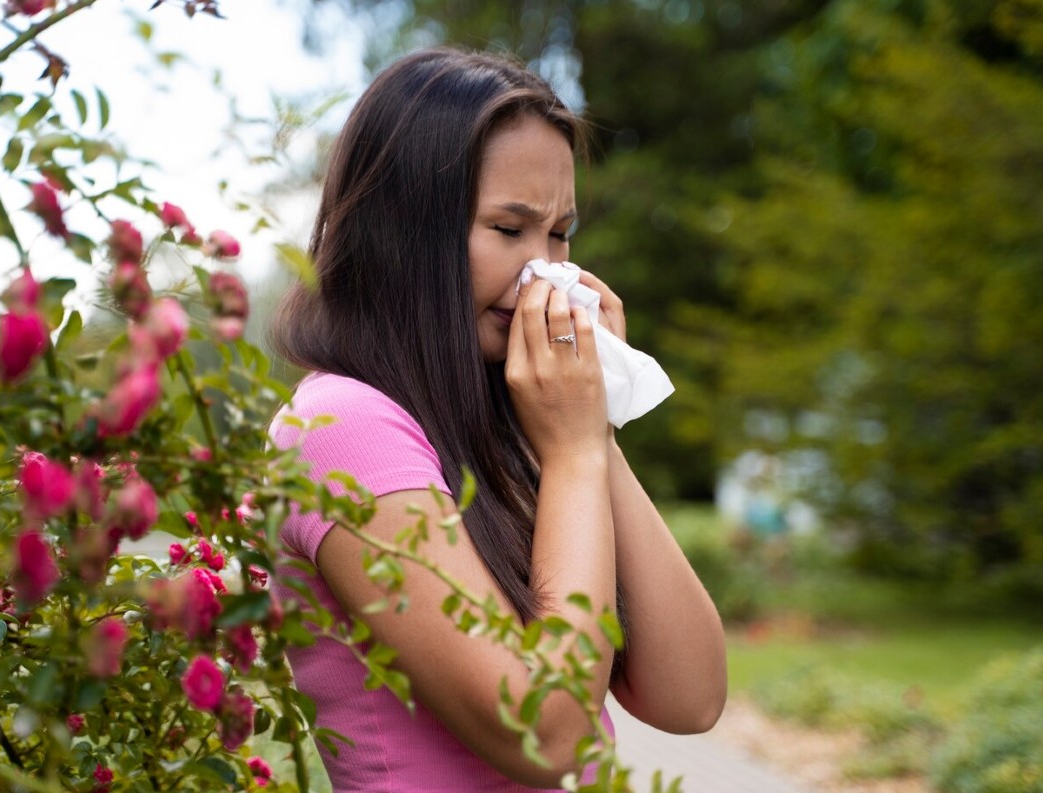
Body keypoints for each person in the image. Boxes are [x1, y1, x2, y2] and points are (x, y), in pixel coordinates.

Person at [269, 47, 726, 792]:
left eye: (560, 233)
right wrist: (573, 454)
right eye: (510, 230)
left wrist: (594, 429)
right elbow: (545, 734)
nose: (546, 271)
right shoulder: (342, 428)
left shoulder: (503, 424)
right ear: (405, 233)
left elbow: (691, 696)